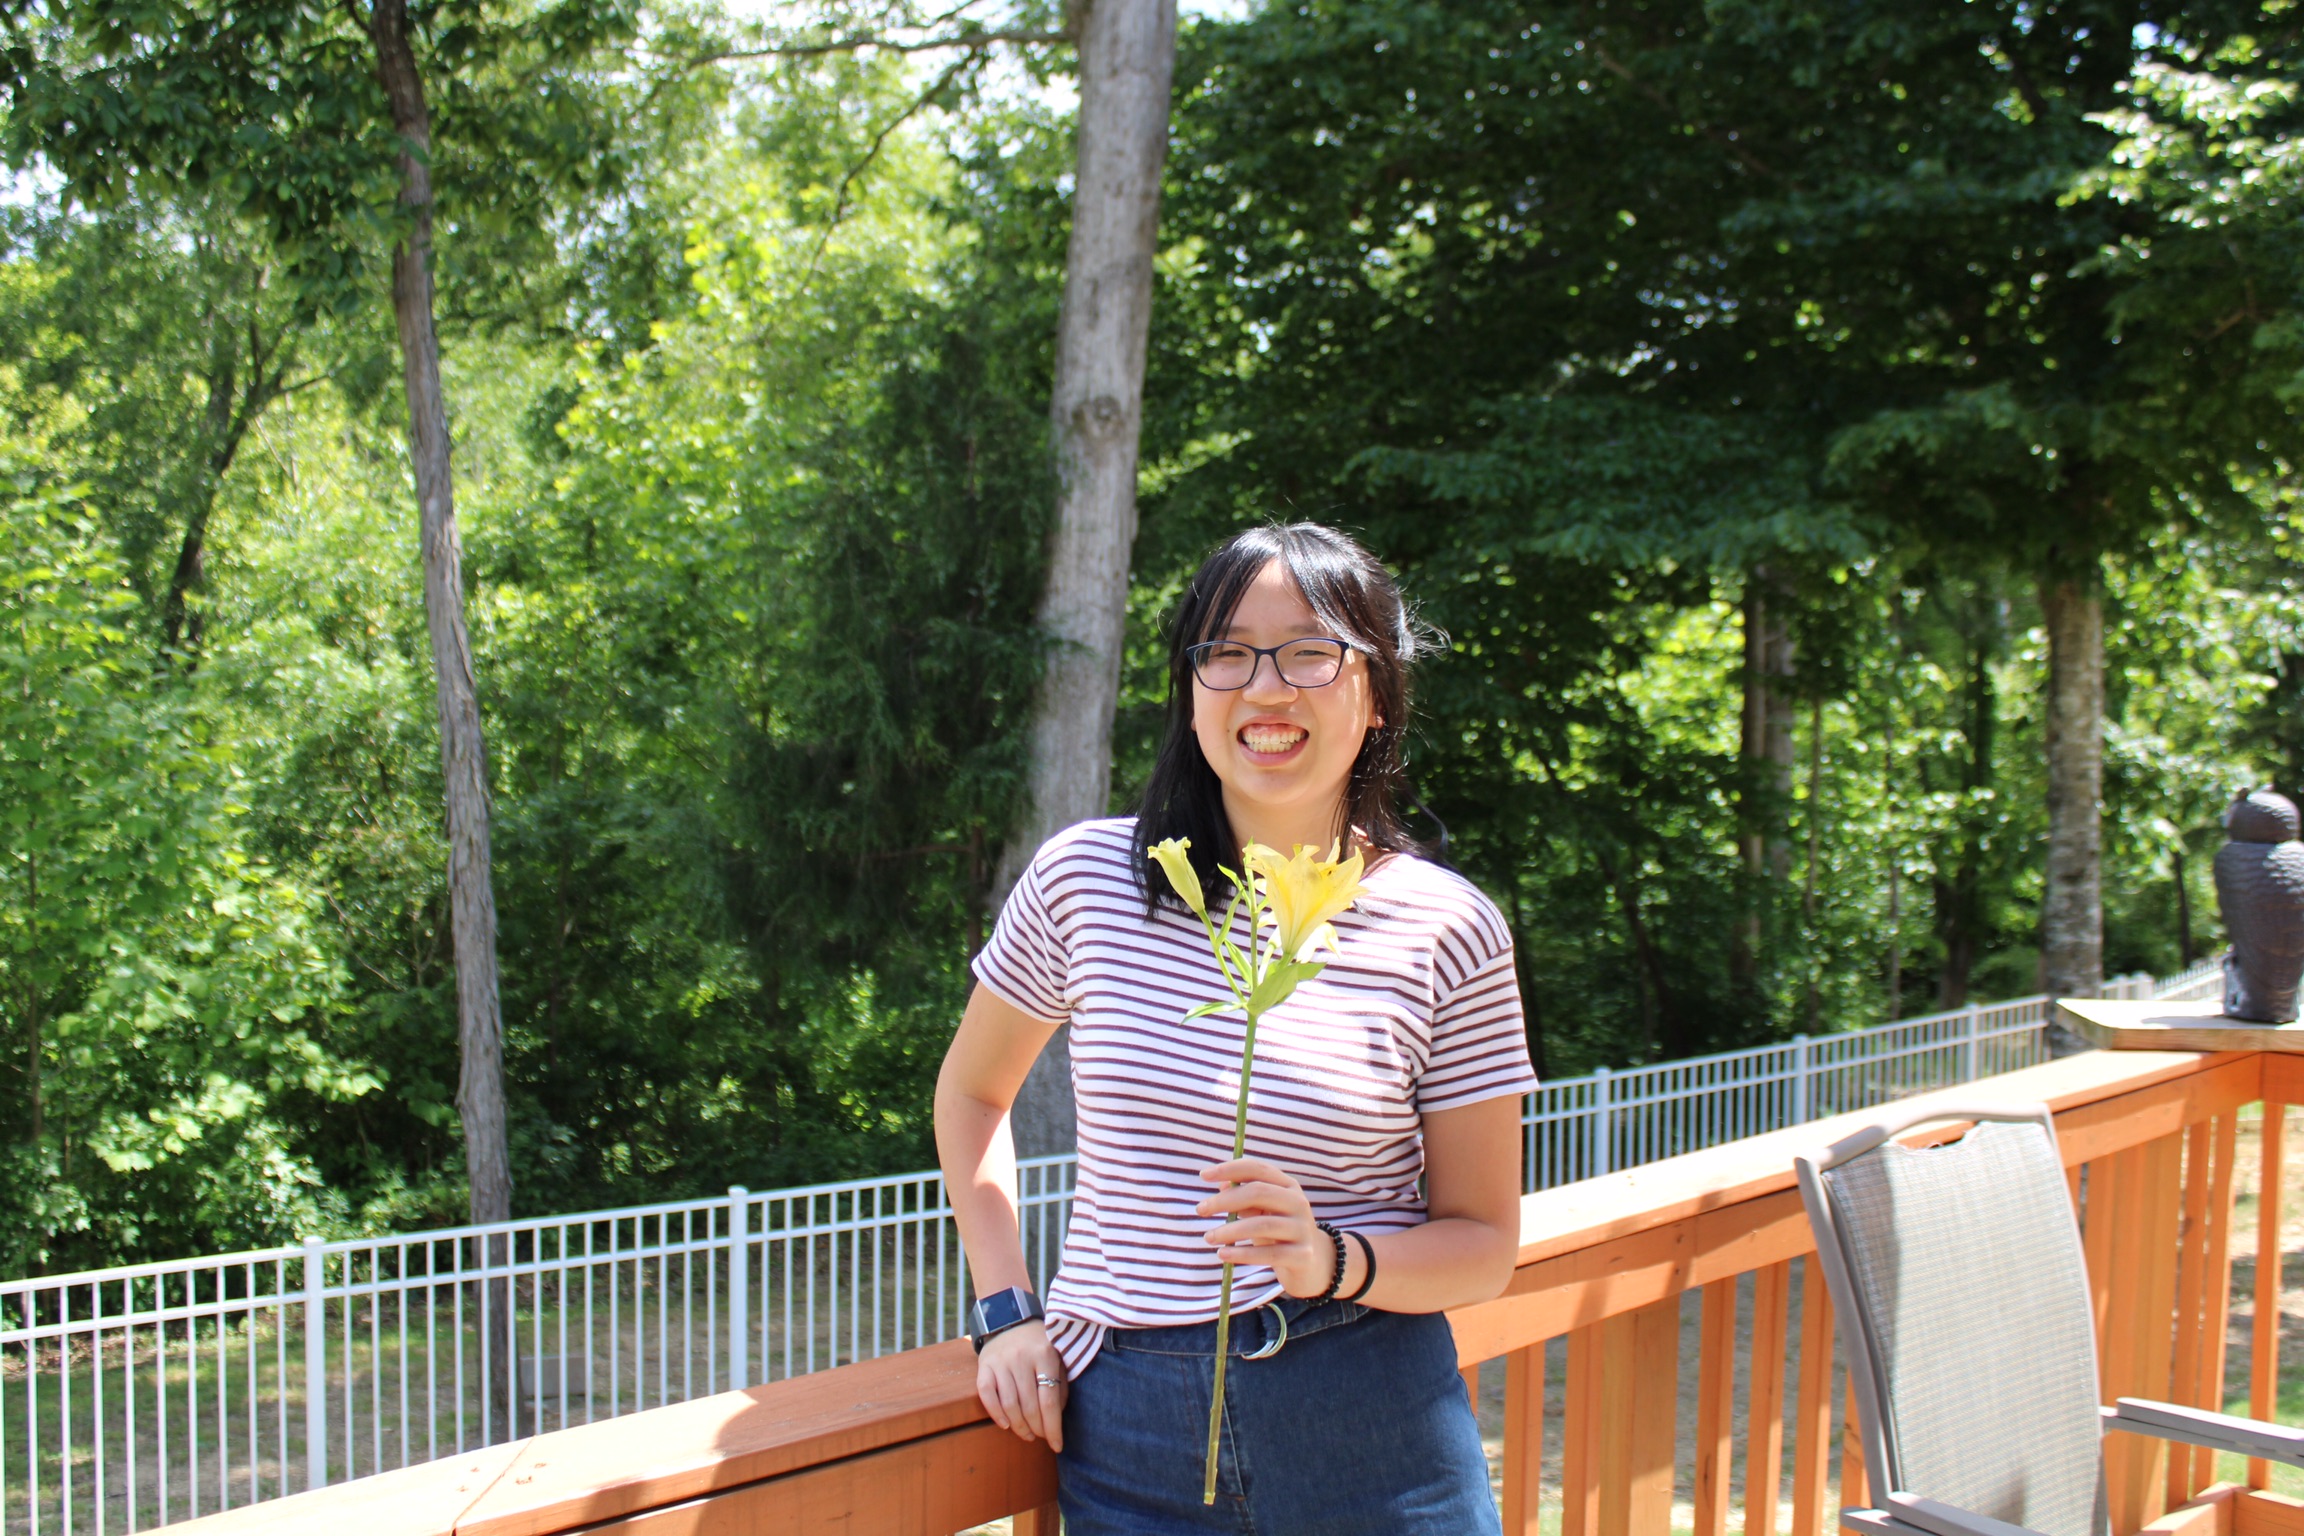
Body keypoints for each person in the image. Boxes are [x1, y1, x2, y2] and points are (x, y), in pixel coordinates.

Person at [934, 522, 1535, 1534]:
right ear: (1191, 687)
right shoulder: (1088, 880)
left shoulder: (1447, 927)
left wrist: (1331, 1259)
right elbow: (972, 1094)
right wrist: (1006, 1312)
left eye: (1310, 652)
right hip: (1127, 1426)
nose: (1266, 688)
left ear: (1377, 693)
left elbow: (1483, 1245)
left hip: (1374, 1417)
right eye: (1228, 652)